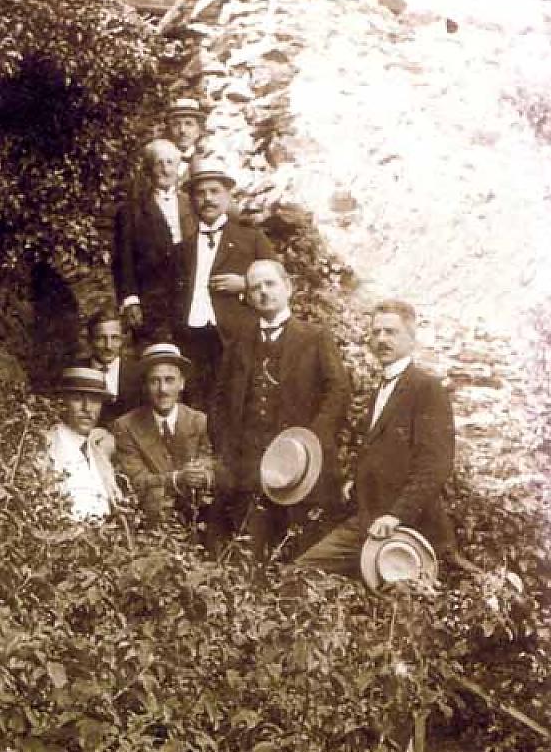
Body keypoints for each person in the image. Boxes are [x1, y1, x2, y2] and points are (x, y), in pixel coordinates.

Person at [298, 299, 456, 575]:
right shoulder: (381, 389)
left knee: (402, 607)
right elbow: (382, 450)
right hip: (368, 519)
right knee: (303, 571)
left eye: (391, 332)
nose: (381, 339)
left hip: (407, 527)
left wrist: (397, 515)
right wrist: (355, 481)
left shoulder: (426, 388)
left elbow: (435, 465)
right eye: (375, 332)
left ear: (411, 338)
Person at [210, 260, 349, 558]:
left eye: (270, 284)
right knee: (251, 556)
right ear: (247, 297)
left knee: (300, 556)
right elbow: (220, 399)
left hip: (301, 470)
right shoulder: (239, 341)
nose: (263, 292)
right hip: (249, 470)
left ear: (288, 287)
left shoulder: (315, 336)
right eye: (254, 288)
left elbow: (338, 391)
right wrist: (228, 450)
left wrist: (312, 442)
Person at [172, 155, 275, 408]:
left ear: (228, 195)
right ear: (192, 201)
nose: (207, 198)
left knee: (235, 402)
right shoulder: (181, 249)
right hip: (191, 337)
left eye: (215, 191)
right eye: (200, 193)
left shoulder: (251, 239)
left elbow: (277, 281)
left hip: (235, 336)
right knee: (195, 404)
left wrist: (246, 284)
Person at [112, 343, 215, 526]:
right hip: (151, 523)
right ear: (145, 385)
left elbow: (213, 464)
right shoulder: (126, 426)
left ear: (181, 383)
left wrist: (203, 474)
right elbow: (137, 481)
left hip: (199, 519)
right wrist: (177, 478)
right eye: (154, 381)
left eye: (169, 380)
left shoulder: (200, 422)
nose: (163, 390)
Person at [112, 138, 195, 345]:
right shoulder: (132, 210)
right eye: (159, 163)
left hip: (191, 299)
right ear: (149, 169)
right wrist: (130, 300)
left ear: (178, 168)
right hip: (152, 301)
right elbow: (124, 258)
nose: (165, 170)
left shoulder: (193, 205)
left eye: (170, 163)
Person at [45, 367, 121, 520]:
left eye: (94, 400)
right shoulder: (47, 447)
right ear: (62, 402)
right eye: (77, 399)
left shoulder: (97, 450)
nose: (87, 408)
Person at [86, 305, 141, 423]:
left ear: (123, 340)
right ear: (90, 340)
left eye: (115, 338)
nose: (108, 346)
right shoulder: (77, 370)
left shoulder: (138, 373)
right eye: (101, 338)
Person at [164, 97, 207, 177]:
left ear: (199, 130)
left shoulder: (207, 158)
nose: (182, 130)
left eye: (189, 124)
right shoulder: (161, 160)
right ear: (168, 130)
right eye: (176, 124)